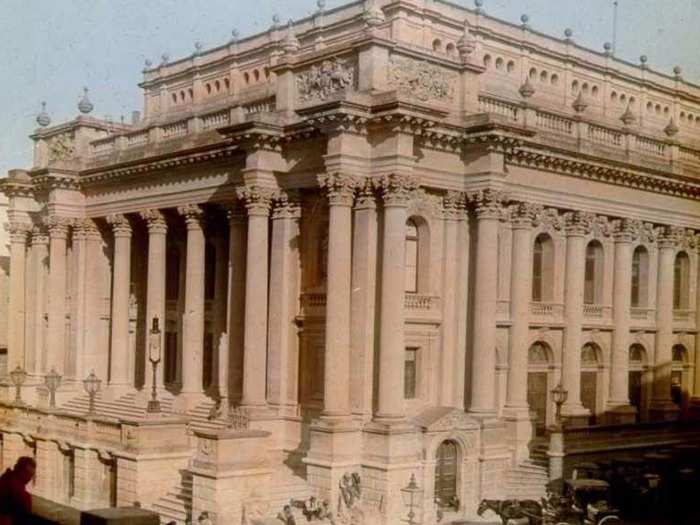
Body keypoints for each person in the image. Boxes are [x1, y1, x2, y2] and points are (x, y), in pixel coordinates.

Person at [0, 456, 36, 525]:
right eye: (29, 474)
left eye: (32, 475)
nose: (30, 478)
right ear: (21, 472)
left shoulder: (4, 478)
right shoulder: (24, 496)